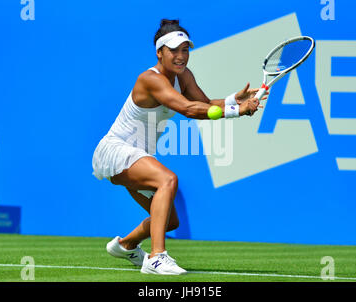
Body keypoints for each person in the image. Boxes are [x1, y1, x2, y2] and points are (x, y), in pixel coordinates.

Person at [92, 19, 266, 275]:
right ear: (159, 52)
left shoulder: (183, 76)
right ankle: (156, 258)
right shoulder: (149, 79)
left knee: (169, 220)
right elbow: (187, 109)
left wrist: (232, 100)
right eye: (174, 50)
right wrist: (236, 111)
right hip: (116, 151)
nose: (181, 56)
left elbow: (203, 104)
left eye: (185, 49)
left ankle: (126, 245)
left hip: (138, 156)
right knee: (168, 180)